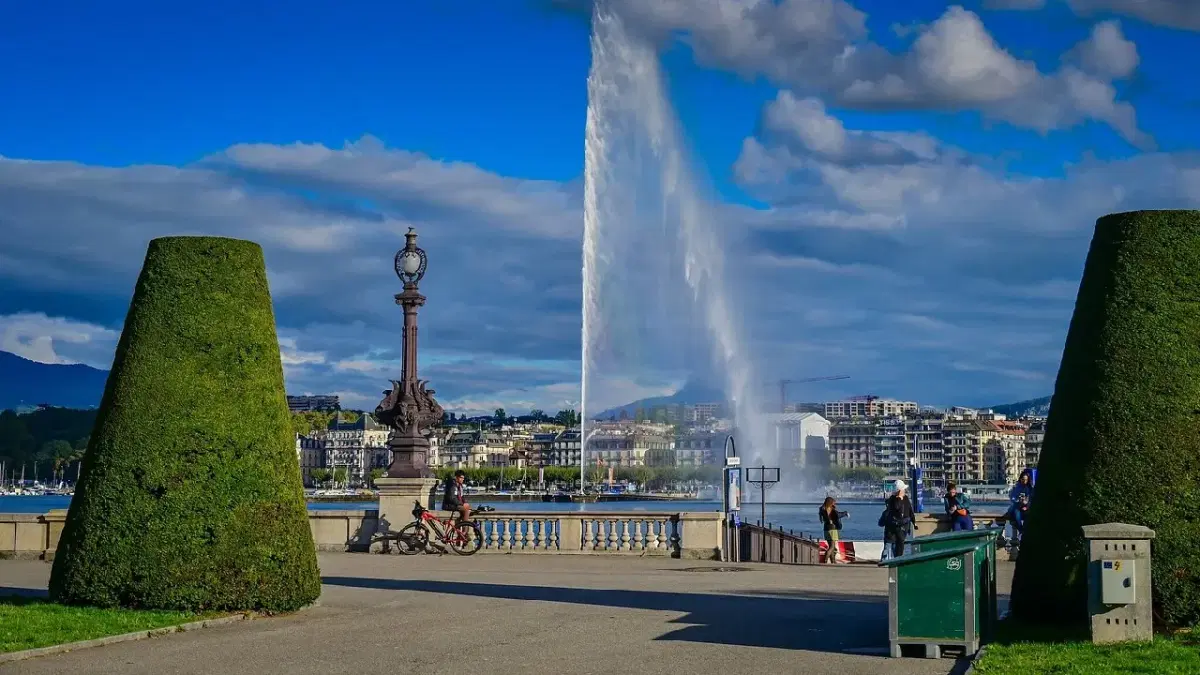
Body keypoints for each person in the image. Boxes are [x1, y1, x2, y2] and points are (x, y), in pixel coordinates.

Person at [881, 480, 917, 560]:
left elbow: (910, 510)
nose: (904, 491)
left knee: (900, 544)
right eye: (903, 490)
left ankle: (898, 559)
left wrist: (914, 522)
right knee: (890, 544)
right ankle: (891, 559)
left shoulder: (906, 498)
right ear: (899, 491)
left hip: (903, 526)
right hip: (894, 526)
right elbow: (896, 507)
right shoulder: (893, 499)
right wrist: (899, 499)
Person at [818, 497, 848, 564]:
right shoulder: (831, 509)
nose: (835, 504)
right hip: (832, 529)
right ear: (831, 502)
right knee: (832, 546)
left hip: (826, 529)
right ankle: (825, 560)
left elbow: (822, 520)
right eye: (834, 502)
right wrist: (845, 513)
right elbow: (838, 515)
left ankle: (833, 561)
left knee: (833, 548)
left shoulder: (822, 509)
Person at [1006, 469, 1034, 541]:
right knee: (1015, 511)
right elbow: (1012, 497)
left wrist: (1026, 504)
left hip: (1025, 508)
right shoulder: (1016, 487)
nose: (1024, 481)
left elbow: (1031, 500)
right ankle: (1021, 530)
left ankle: (1023, 531)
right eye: (1023, 479)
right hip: (1017, 506)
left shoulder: (1030, 489)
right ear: (1020, 479)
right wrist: (1018, 500)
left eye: (1026, 480)